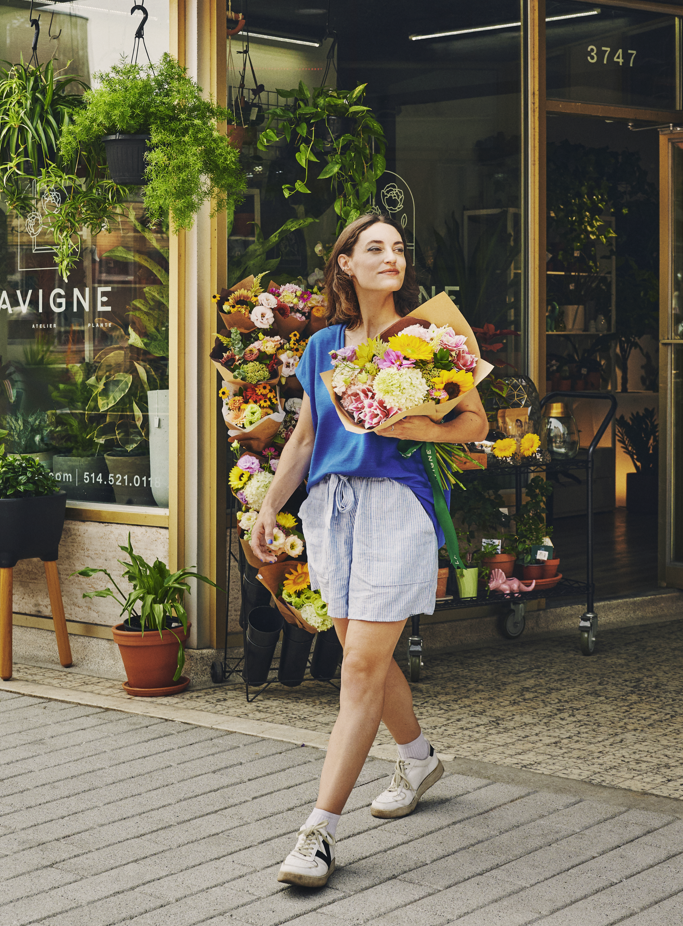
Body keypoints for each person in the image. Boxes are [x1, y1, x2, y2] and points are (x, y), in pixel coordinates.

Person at [250, 213, 489, 888]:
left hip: (395, 506)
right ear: (346, 265)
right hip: (331, 511)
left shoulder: (427, 338)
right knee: (369, 661)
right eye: (375, 248)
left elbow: (474, 421)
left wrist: (406, 414)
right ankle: (417, 759)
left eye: (400, 249)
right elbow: (302, 439)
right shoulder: (324, 344)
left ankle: (317, 833)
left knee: (357, 669)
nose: (391, 257)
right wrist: (271, 507)